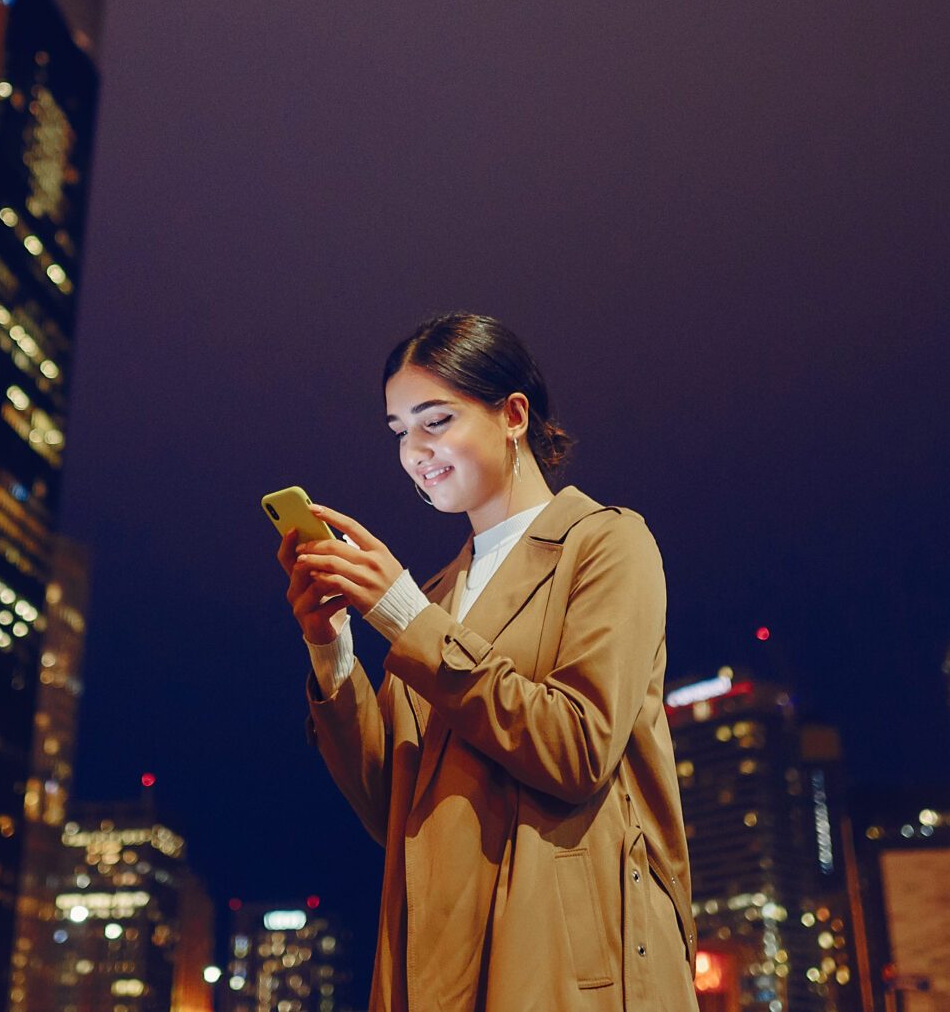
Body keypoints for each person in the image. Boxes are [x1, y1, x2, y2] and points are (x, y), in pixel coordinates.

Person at [279, 312, 699, 1011]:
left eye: (435, 420)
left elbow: (577, 748)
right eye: (399, 431)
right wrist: (332, 647)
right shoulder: (437, 594)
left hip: (566, 968)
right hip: (437, 963)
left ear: (513, 414)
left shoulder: (606, 543)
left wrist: (405, 617)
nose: (415, 451)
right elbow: (391, 805)